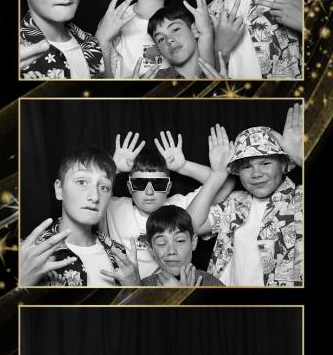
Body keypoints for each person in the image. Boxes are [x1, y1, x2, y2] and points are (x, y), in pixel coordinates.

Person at [187, 106, 302, 286]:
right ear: (238, 171)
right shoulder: (234, 202)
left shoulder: (299, 198)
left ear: (283, 165)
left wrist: (300, 156)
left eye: (265, 163)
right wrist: (217, 174)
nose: (256, 173)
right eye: (247, 166)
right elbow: (190, 224)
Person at [103, 135, 222, 280]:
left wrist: (183, 166)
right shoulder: (113, 207)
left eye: (158, 184)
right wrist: (113, 169)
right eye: (140, 184)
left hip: (168, 286)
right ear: (129, 187)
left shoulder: (179, 207)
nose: (149, 191)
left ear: (168, 187)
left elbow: (222, 183)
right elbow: (88, 194)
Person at [19, 147, 139, 287]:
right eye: (82, 182)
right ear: (59, 189)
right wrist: (23, 281)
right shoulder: (28, 254)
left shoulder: (120, 254)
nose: (95, 197)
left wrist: (135, 285)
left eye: (103, 188)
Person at [142, 205, 225, 286]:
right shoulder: (142, 286)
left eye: (180, 240)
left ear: (193, 242)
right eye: (161, 243)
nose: (171, 251)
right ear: (151, 249)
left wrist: (182, 292)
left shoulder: (213, 285)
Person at [147, 1, 220, 80]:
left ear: (195, 30)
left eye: (175, 30)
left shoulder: (222, 69)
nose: (169, 40)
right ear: (159, 50)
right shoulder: (154, 79)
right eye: (161, 39)